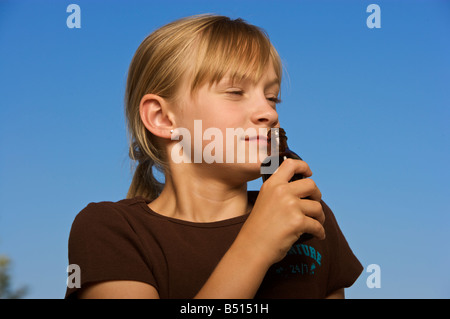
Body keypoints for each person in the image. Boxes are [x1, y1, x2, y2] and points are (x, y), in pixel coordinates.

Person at [65, 14, 363, 299]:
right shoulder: (111, 230)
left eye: (272, 97)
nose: (269, 113)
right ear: (162, 118)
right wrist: (256, 246)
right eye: (235, 92)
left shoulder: (305, 213)